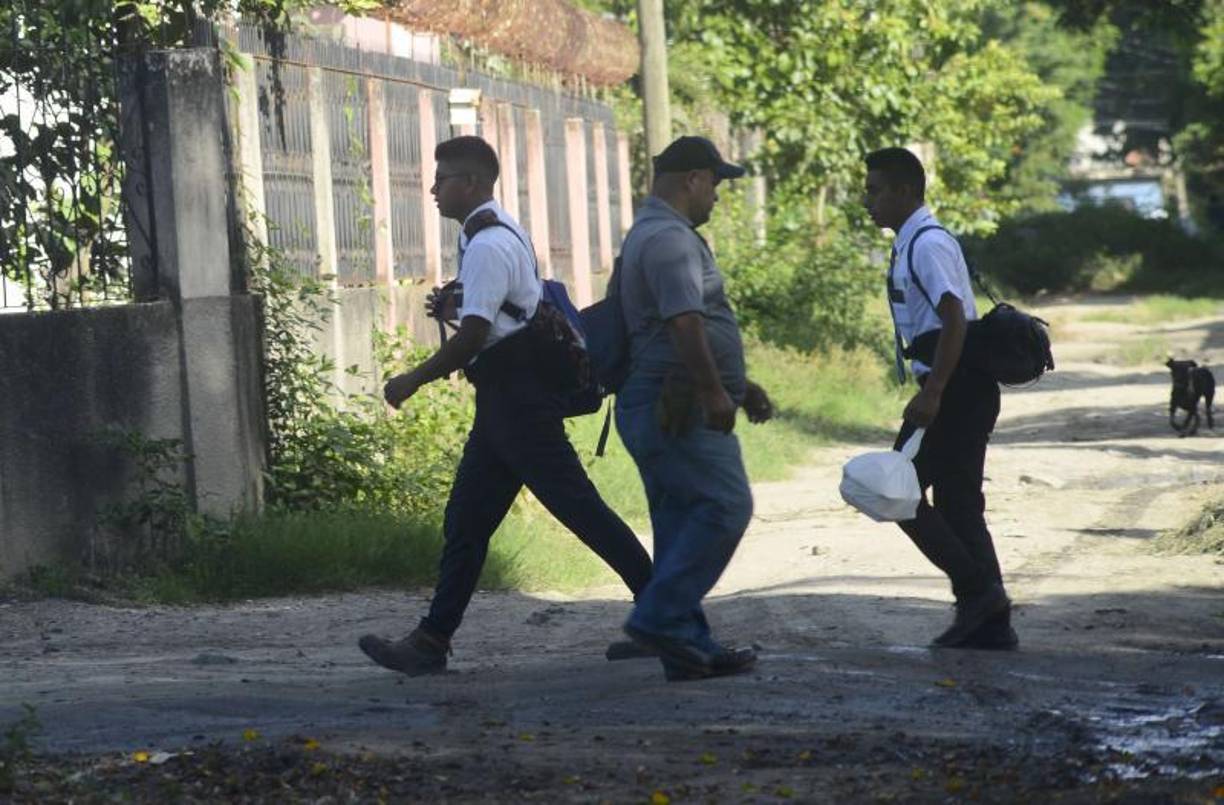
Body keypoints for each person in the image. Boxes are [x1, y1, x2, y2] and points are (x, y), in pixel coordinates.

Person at [358, 136, 652, 675]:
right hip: (504, 400)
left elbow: (473, 337)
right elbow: (506, 309)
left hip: (517, 401)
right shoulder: (489, 235)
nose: (432, 188)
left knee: (579, 510)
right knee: (467, 521)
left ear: (471, 184)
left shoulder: (489, 244)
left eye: (443, 177)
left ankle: (667, 615)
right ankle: (430, 641)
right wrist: (458, 299)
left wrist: (412, 380)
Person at [614, 135, 773, 681]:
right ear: (694, 180)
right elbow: (685, 323)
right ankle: (658, 618)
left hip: (663, 399)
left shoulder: (655, 233)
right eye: (716, 185)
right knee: (727, 506)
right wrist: (712, 392)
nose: (718, 198)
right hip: (676, 405)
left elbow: (682, 325)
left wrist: (738, 385)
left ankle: (686, 646)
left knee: (681, 524)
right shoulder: (670, 240)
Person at [863, 146, 1014, 649]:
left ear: (905, 190)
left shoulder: (925, 243)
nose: (869, 202)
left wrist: (933, 392)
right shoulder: (912, 241)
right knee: (959, 504)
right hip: (959, 385)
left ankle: (978, 593)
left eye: (876, 190)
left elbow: (954, 319)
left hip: (956, 388)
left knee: (895, 489)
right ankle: (992, 624)